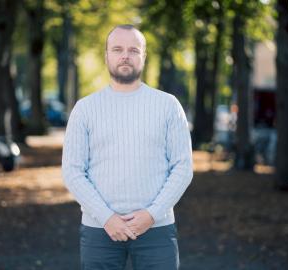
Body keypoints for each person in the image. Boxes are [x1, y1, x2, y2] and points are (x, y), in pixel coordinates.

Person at [62, 24, 193, 270]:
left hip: (157, 229)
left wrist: (152, 214)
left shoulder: (168, 105)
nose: (125, 55)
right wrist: (107, 218)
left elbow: (183, 168)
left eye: (133, 50)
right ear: (107, 56)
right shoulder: (85, 109)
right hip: (99, 230)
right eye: (118, 49)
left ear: (143, 56)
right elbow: (73, 171)